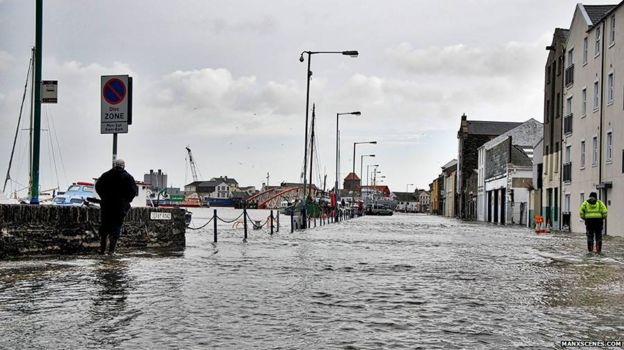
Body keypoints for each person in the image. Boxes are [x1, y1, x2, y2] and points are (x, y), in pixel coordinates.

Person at [95, 159, 138, 255]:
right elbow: (133, 191)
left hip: (106, 205)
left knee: (105, 227)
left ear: (114, 165)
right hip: (120, 207)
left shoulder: (105, 175)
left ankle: (102, 250)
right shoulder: (128, 177)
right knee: (116, 227)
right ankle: (111, 251)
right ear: (123, 166)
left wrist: (104, 197)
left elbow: (98, 186)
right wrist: (126, 201)